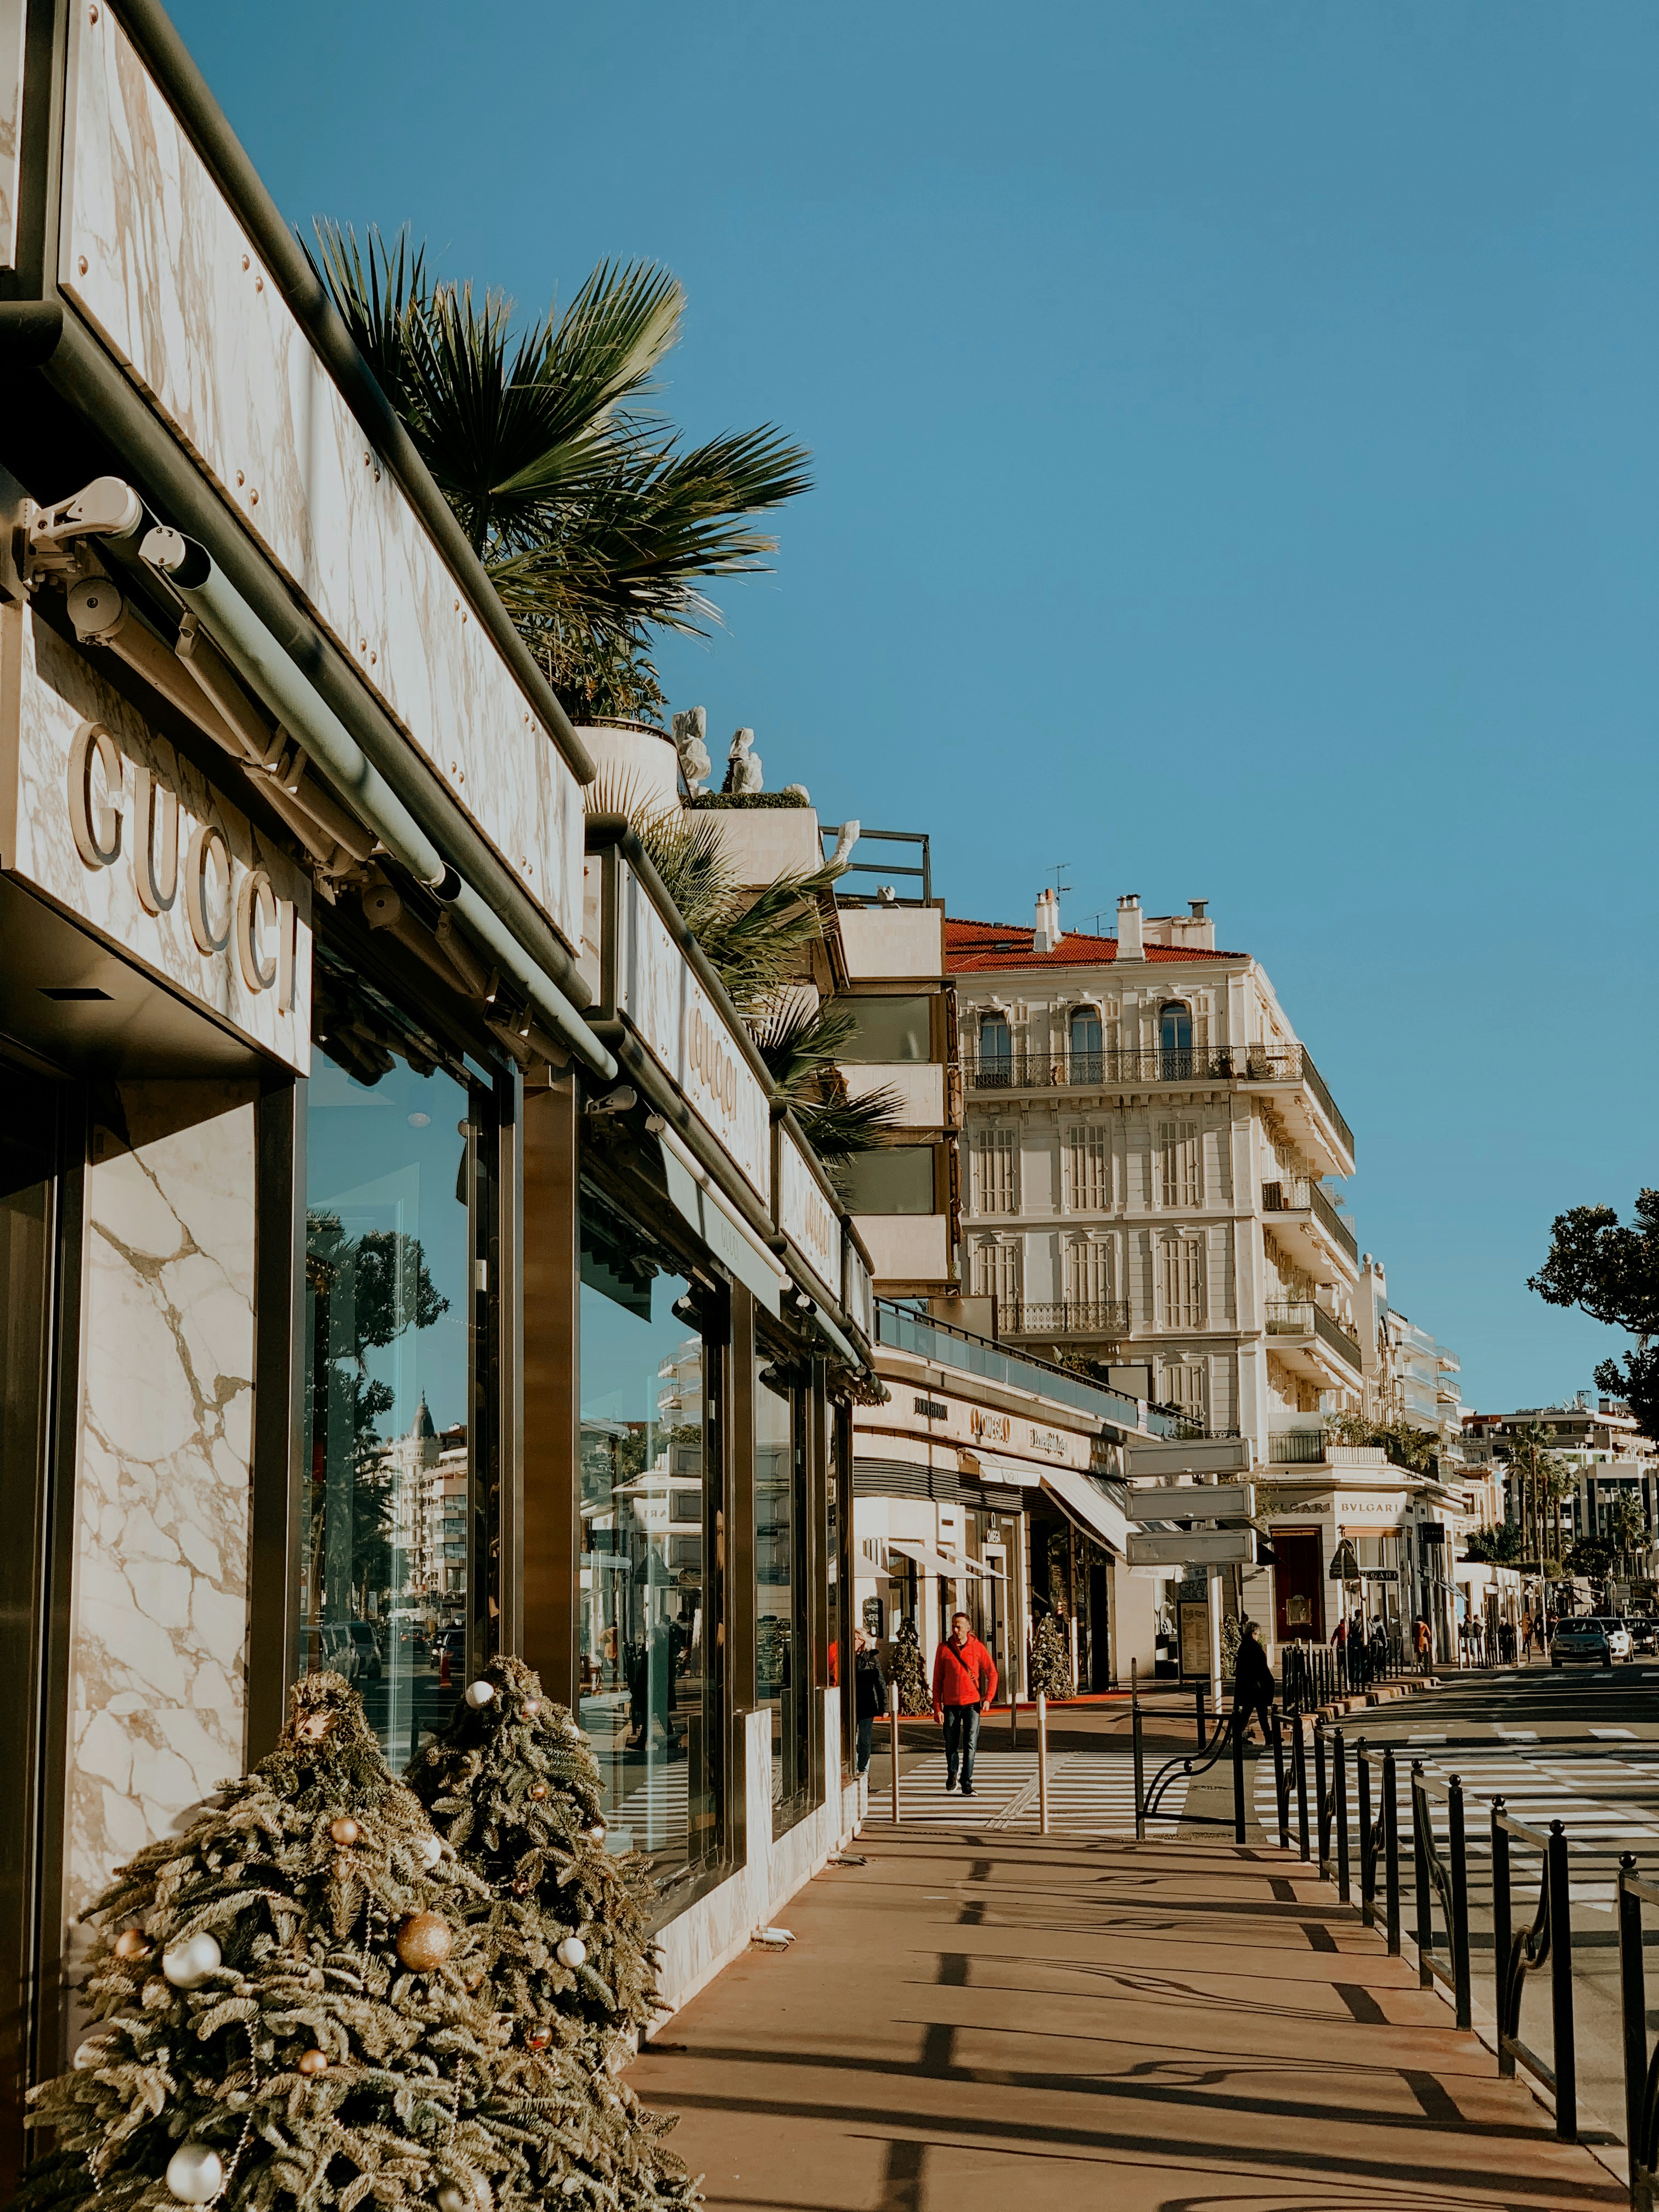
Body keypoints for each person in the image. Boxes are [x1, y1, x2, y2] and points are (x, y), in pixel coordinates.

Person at [932, 1611, 997, 1798]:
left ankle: (966, 1782)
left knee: (970, 1744)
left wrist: (988, 1698)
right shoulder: (943, 1649)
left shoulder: (978, 1648)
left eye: (959, 1626)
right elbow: (937, 1680)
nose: (955, 1630)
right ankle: (952, 1773)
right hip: (951, 1705)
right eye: (953, 1626)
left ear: (968, 1628)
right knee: (951, 1743)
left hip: (972, 1705)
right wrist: (938, 1708)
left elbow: (992, 1673)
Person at [853, 1627, 888, 1788]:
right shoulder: (846, 1658)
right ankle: (852, 1772)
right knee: (851, 1742)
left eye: (855, 1639)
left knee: (865, 1742)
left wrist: (885, 1707)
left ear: (862, 1641)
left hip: (867, 1705)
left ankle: (863, 1773)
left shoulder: (872, 1659)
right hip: (850, 1707)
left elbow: (880, 1684)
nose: (852, 1642)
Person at [1232, 1620, 1276, 1748]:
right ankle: (1265, 1737)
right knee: (1255, 1712)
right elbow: (1260, 1667)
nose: (1258, 1636)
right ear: (1253, 1633)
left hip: (1248, 1685)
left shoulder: (1244, 1645)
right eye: (1257, 1634)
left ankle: (1266, 1737)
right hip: (1255, 1685)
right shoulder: (1253, 1647)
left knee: (1253, 1711)